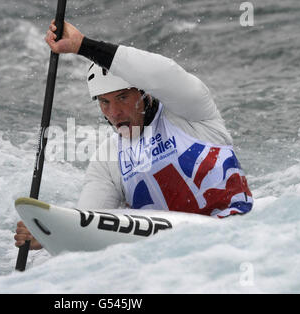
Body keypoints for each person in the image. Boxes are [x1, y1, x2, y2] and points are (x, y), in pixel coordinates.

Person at [15, 21, 253, 250]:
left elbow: (162, 72)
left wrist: (81, 45)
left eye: (122, 98)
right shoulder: (107, 159)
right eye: (104, 102)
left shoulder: (190, 110)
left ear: (145, 93)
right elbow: (89, 223)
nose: (114, 113)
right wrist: (50, 235)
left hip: (235, 232)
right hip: (174, 256)